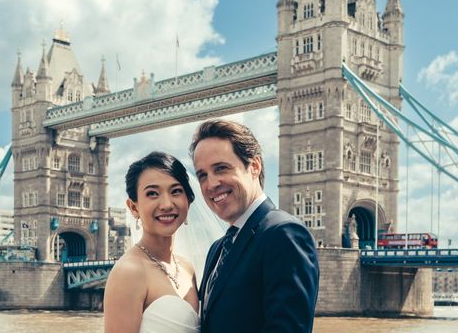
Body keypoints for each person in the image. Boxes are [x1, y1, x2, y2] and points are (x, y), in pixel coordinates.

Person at [190, 119, 319, 333]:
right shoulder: (217, 248)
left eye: (221, 168)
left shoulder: (284, 234)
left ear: (255, 166)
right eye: (202, 175)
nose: (211, 184)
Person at [104, 151, 200, 333]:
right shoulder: (128, 272)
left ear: (188, 200)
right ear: (134, 207)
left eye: (176, 191)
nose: (166, 204)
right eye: (153, 193)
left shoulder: (187, 268)